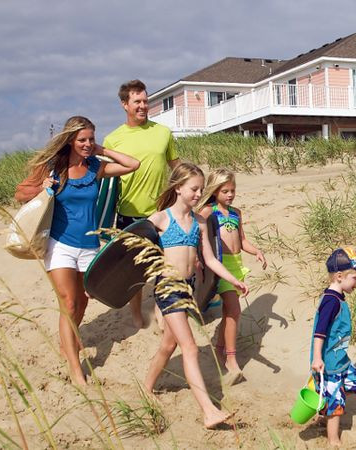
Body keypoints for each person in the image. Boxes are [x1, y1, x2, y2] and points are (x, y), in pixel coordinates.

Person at [14, 116, 140, 385]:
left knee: (83, 300)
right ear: (70, 140)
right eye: (82, 139)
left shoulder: (95, 167)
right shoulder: (53, 167)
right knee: (68, 301)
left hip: (89, 245)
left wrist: (102, 150)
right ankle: (74, 368)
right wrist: (42, 187)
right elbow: (20, 193)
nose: (87, 143)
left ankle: (67, 340)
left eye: (91, 139)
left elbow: (133, 164)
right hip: (59, 244)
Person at [142, 162, 245, 429]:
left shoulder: (199, 222)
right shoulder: (160, 220)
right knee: (189, 346)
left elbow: (210, 259)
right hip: (167, 287)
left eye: (201, 189)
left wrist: (234, 280)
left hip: (188, 287)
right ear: (178, 188)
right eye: (194, 189)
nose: (199, 194)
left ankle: (146, 387)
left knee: (169, 345)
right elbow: (131, 253)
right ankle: (209, 411)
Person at [102, 79, 180, 329]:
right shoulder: (113, 139)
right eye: (137, 101)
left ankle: (159, 309)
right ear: (124, 104)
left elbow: (175, 167)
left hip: (161, 210)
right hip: (129, 214)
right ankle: (135, 312)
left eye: (146, 101)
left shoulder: (163, 132)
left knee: (163, 265)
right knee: (134, 271)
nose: (143, 106)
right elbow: (105, 178)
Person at [196, 169, 266, 383]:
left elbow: (241, 240)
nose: (229, 194)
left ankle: (219, 348)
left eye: (232, 190)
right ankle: (231, 359)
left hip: (237, 265)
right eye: (224, 191)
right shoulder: (208, 211)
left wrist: (256, 251)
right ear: (214, 191)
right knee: (234, 310)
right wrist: (197, 259)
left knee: (229, 311)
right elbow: (197, 234)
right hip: (221, 264)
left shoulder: (236, 213)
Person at [310, 248, 356, 447]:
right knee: (337, 406)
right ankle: (333, 439)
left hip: (341, 361)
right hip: (329, 364)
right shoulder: (331, 302)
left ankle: (326, 402)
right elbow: (319, 333)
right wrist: (317, 358)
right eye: (355, 277)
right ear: (339, 276)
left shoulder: (337, 299)